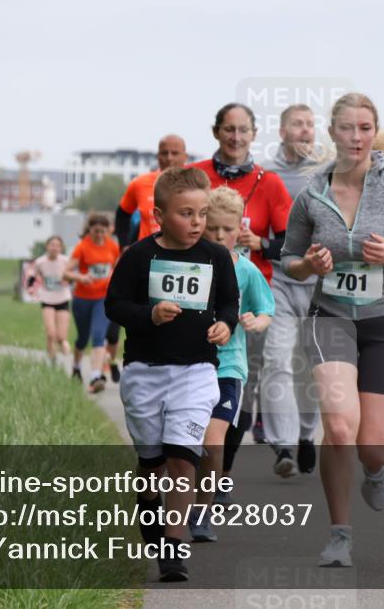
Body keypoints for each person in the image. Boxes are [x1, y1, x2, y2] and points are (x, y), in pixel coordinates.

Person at [281, 93, 384, 567]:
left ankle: (375, 470)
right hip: (330, 317)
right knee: (338, 427)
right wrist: (308, 265)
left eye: (365, 128)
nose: (356, 138)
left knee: (373, 446)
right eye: (347, 128)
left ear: (375, 132)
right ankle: (339, 536)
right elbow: (288, 259)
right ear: (332, 132)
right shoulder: (312, 194)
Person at [105, 166, 239, 582]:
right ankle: (151, 515)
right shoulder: (139, 256)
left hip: (196, 372)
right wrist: (149, 315)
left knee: (183, 458)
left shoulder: (216, 257)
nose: (197, 223)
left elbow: (229, 303)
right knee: (152, 464)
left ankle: (173, 546)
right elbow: (114, 306)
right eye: (186, 214)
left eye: (202, 214)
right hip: (144, 372)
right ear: (160, 216)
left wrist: (225, 325)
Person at [190, 103, 293, 487]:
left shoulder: (270, 182)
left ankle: (222, 473)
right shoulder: (195, 176)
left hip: (248, 294)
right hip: (196, 294)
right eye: (229, 129)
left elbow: (289, 244)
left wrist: (260, 242)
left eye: (243, 130)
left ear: (253, 134)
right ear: (216, 131)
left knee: (239, 395)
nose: (236, 137)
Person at [189, 187, 274, 543]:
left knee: (213, 442)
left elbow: (266, 310)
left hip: (228, 368)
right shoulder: (187, 264)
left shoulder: (248, 271)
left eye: (227, 229)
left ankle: (201, 512)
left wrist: (256, 321)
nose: (220, 235)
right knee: (184, 444)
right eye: (212, 228)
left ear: (240, 229)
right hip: (187, 366)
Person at [260, 103, 324, 478]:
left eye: (310, 124)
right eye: (298, 124)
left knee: (313, 367)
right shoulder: (266, 174)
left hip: (321, 285)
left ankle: (305, 434)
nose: (306, 130)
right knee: (277, 360)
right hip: (280, 281)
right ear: (282, 132)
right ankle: (283, 444)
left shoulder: (328, 172)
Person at [109, 134, 190, 382]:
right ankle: (140, 373)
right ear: (157, 156)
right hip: (146, 262)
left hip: (183, 264)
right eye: (164, 153)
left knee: (180, 322)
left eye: (175, 153)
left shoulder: (195, 185)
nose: (169, 158)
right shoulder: (140, 183)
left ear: (185, 156)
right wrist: (124, 246)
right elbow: (122, 213)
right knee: (143, 319)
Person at [67, 213, 120, 393]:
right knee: (82, 338)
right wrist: (80, 277)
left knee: (98, 335)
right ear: (89, 230)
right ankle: (76, 367)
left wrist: (114, 276)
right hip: (82, 299)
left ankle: (95, 376)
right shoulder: (82, 247)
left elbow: (117, 268)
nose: (99, 235)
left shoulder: (112, 246)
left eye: (102, 231)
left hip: (102, 298)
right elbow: (66, 272)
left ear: (107, 231)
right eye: (96, 231)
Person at [29, 236, 74, 365]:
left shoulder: (65, 261)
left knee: (61, 337)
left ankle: (63, 345)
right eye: (52, 245)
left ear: (61, 248)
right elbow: (32, 276)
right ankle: (52, 359)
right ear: (47, 246)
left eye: (57, 245)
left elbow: (72, 276)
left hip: (62, 298)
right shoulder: (40, 262)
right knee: (51, 334)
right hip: (47, 299)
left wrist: (69, 280)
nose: (54, 248)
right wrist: (31, 288)